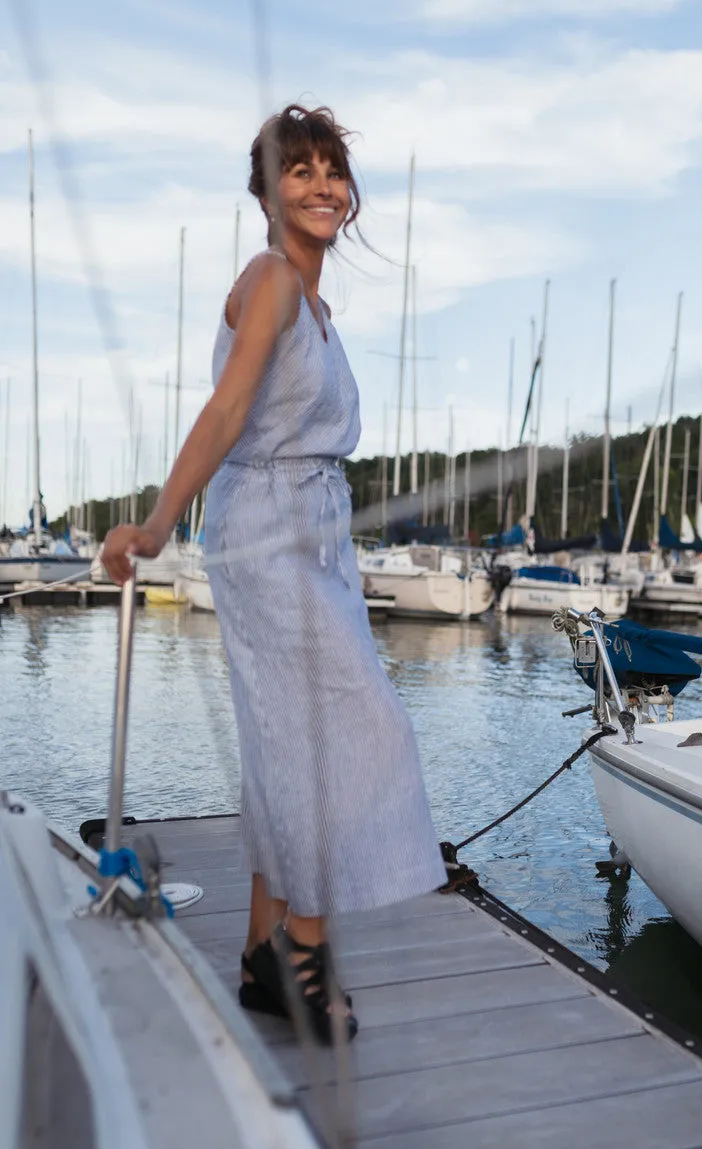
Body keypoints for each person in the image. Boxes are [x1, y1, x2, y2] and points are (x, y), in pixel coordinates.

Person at [101, 105, 447, 1043]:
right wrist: (159, 522)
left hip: (317, 530)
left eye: (333, 171)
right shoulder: (269, 282)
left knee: (288, 742)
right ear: (265, 192)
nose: (323, 186)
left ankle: (263, 955)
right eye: (300, 171)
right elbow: (225, 413)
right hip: (268, 530)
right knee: (350, 731)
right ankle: (303, 948)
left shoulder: (317, 302)